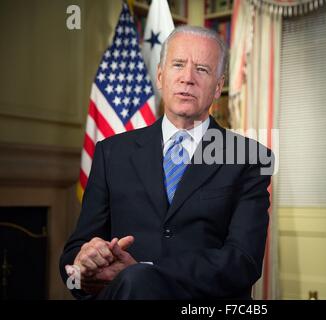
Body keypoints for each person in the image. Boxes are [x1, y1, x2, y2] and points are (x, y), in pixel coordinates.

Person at [60, 25, 274, 300]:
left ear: (218, 86)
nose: (187, 78)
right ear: (160, 76)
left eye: (202, 69)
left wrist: (146, 271)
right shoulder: (111, 153)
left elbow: (243, 262)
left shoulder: (249, 159)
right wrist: (85, 266)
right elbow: (73, 258)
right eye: (178, 65)